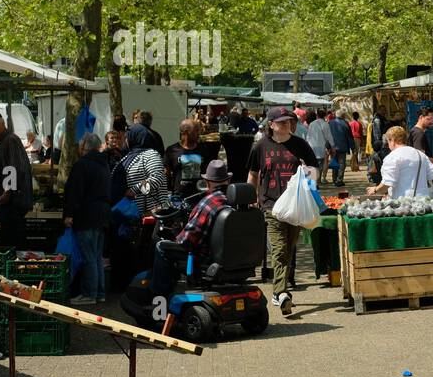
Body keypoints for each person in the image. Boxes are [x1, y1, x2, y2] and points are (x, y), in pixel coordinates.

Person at [247, 106, 319, 316]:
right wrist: (250, 199)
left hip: (296, 206)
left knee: (289, 249)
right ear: (271, 125)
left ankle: (280, 291)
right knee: (278, 250)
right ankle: (281, 292)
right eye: (282, 122)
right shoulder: (260, 146)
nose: (287, 125)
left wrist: (312, 193)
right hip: (271, 205)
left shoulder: (300, 144)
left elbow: (314, 171)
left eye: (289, 121)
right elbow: (253, 175)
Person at [148, 160, 232, 303]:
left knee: (161, 246)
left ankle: (158, 297)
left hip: (204, 257)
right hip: (229, 257)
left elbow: (187, 240)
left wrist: (175, 235)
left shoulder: (208, 203)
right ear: (228, 180)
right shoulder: (233, 201)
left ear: (207, 181)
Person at [62, 133, 111, 304]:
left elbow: (75, 192)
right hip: (102, 215)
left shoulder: (82, 165)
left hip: (87, 215)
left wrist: (69, 214)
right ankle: (99, 292)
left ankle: (89, 293)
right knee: (97, 256)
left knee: (89, 255)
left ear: (84, 147)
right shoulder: (104, 164)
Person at [0, 108, 33, 248]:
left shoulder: (10, 140)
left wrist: (6, 194)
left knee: (11, 243)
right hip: (10, 204)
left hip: (12, 205)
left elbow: (12, 169)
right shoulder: (4, 141)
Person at [111, 124, 169, 217]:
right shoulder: (128, 156)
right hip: (127, 214)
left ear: (135, 137)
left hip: (147, 216)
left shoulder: (151, 154)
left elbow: (158, 177)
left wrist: (134, 190)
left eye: (127, 137)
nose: (126, 140)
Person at [368, 126, 433, 198]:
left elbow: (387, 183)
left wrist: (375, 189)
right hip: (423, 201)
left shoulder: (392, 157)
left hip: (402, 202)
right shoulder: (420, 155)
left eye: (388, 142)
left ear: (392, 141)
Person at [165, 119, 206, 201]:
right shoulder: (172, 150)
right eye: (196, 131)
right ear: (187, 132)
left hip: (199, 197)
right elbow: (166, 173)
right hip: (178, 198)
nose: (199, 134)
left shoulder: (204, 149)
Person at [327, 110, 354, 186]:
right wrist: (353, 147)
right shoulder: (345, 123)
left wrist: (327, 146)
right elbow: (349, 137)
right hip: (342, 146)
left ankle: (334, 179)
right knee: (342, 164)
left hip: (333, 147)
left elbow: (328, 136)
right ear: (343, 116)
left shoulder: (330, 123)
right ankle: (339, 180)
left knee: (334, 163)